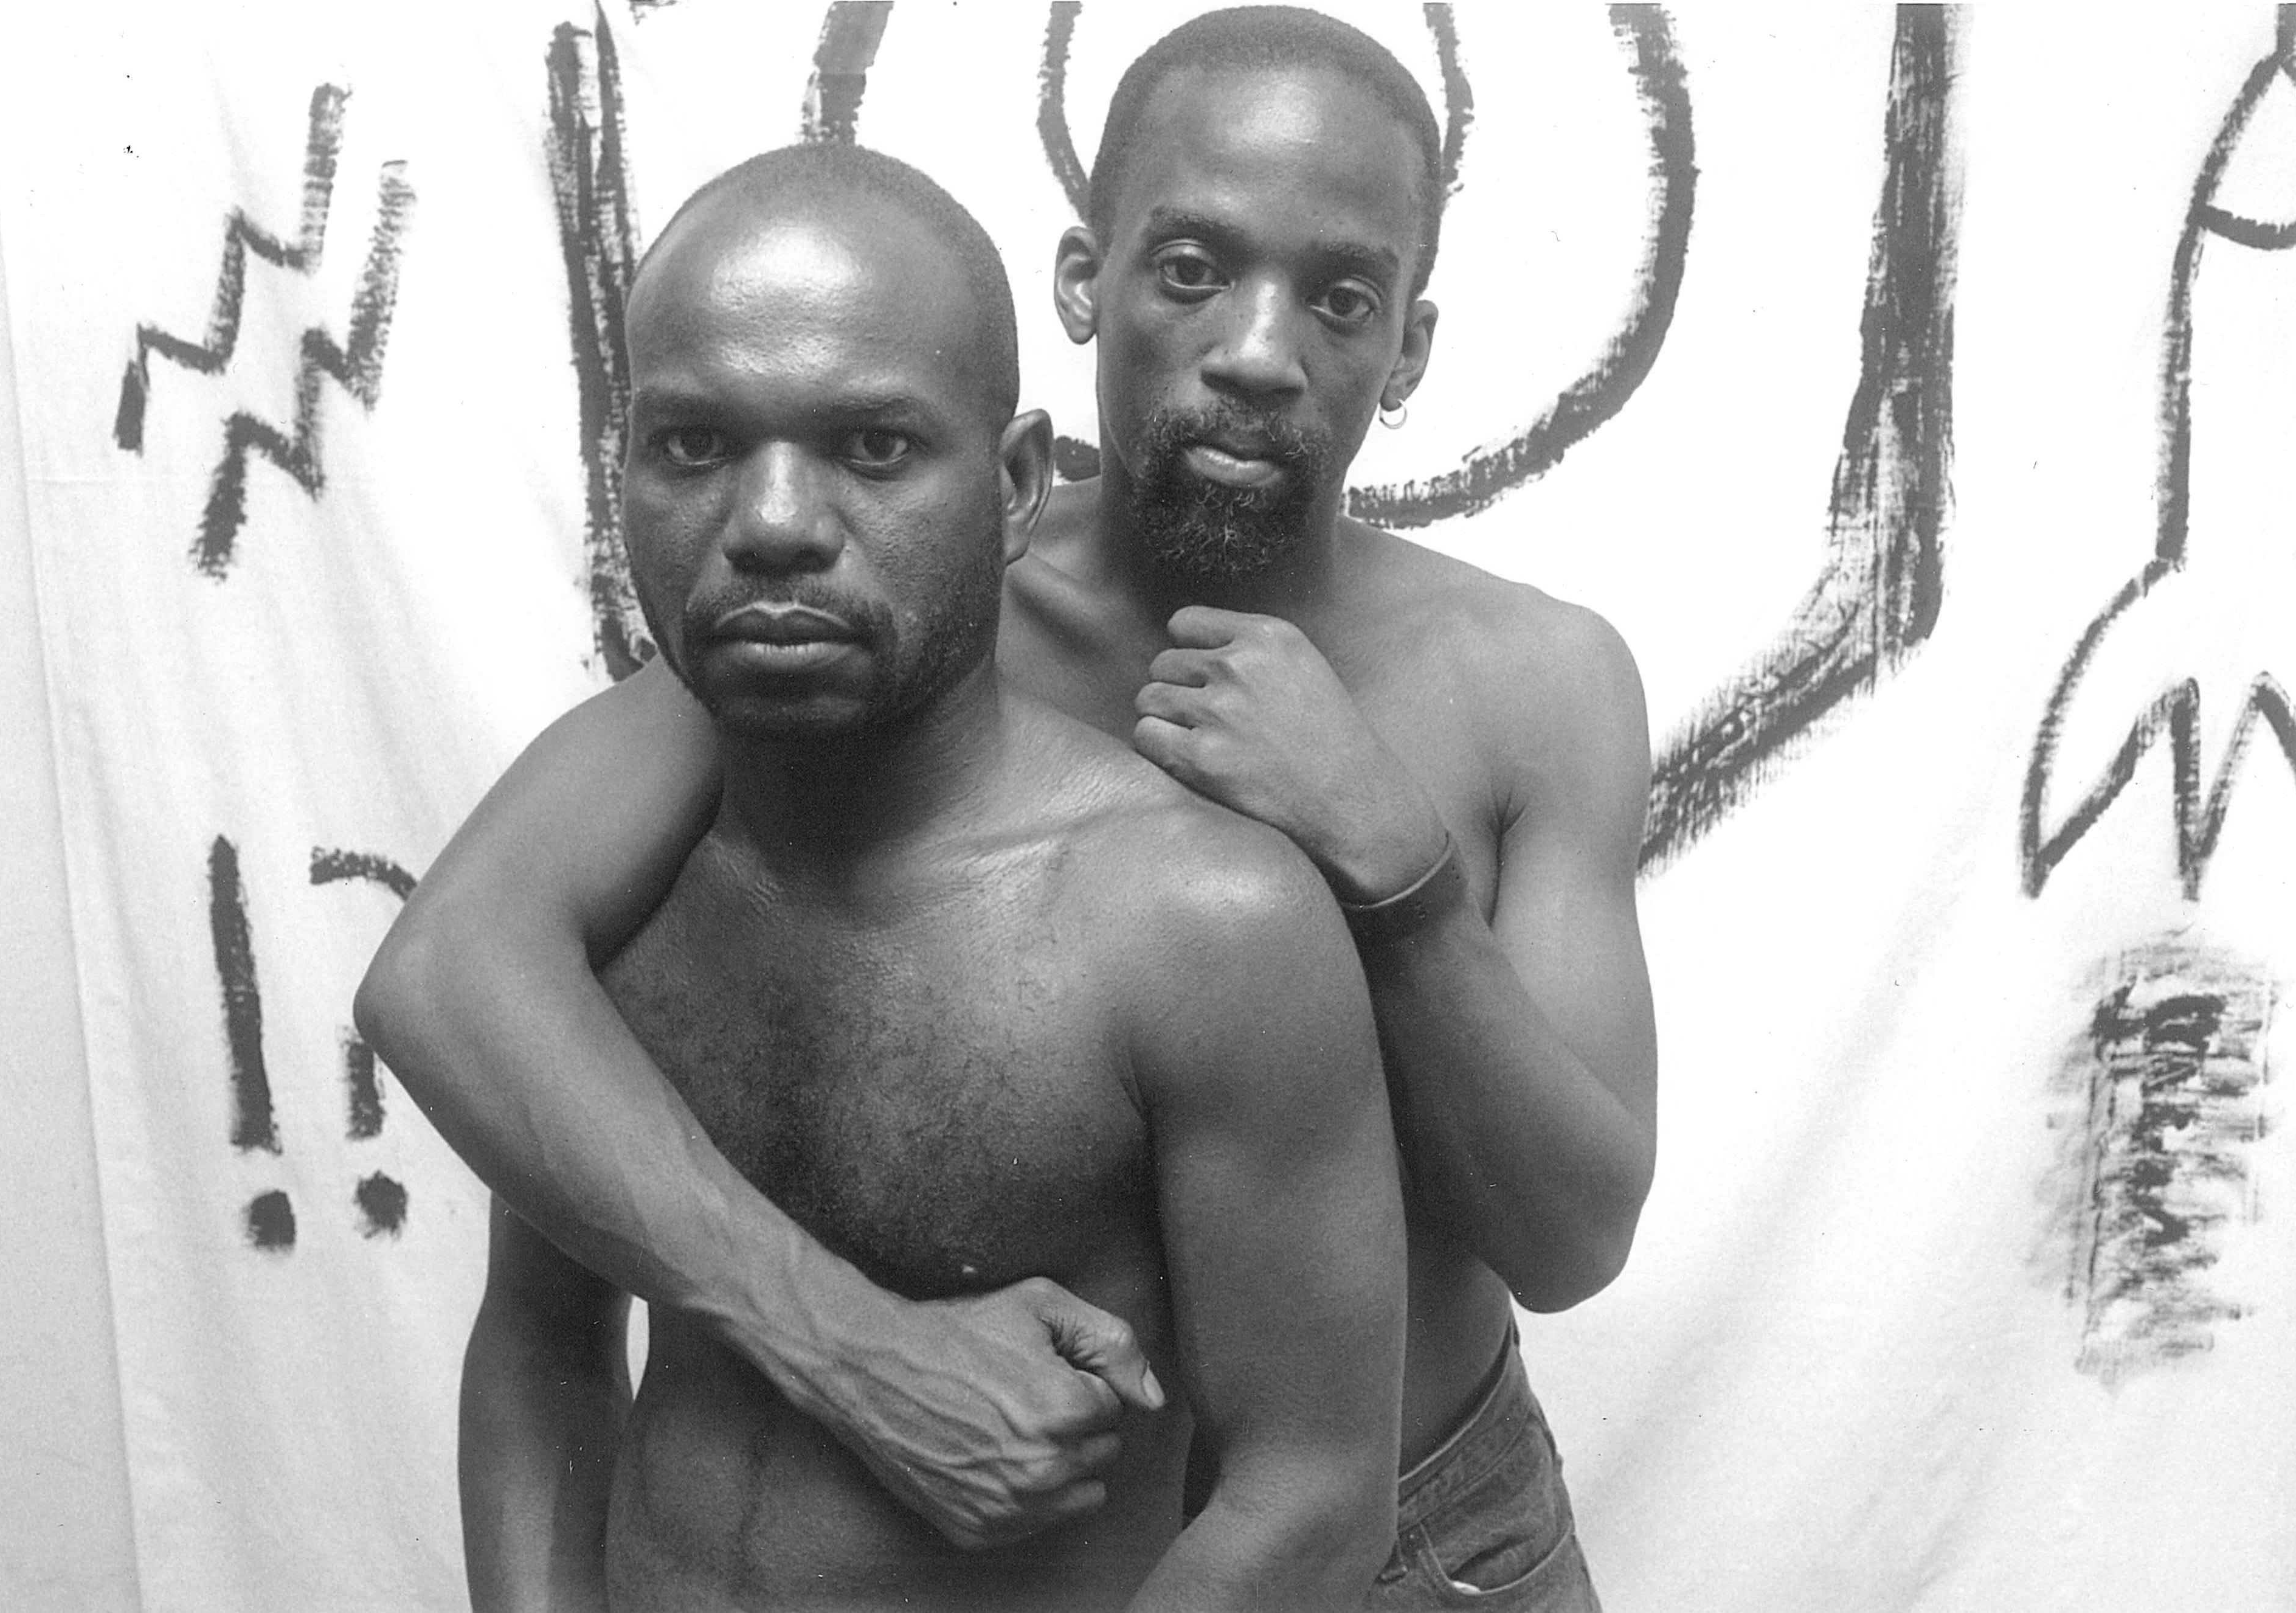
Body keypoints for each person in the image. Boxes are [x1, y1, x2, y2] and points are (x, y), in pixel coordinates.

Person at [361, 8, 1655, 1608]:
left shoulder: (1531, 680)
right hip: (998, 1535)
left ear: (1407, 346)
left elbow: (1571, 1243)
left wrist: (1397, 875)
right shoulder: (886, 607)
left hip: (1407, 1527)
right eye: (1192, 268)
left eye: (1338, 297)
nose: (1258, 350)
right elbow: (458, 969)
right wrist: (850, 1343)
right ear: (1085, 282)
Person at [428, 139, 1407, 1612]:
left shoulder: (1201, 925)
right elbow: (543, 1352)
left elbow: (1312, 1499)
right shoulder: (608, 889)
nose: (772, 523)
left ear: (1012, 486)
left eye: (873, 448)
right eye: (693, 446)